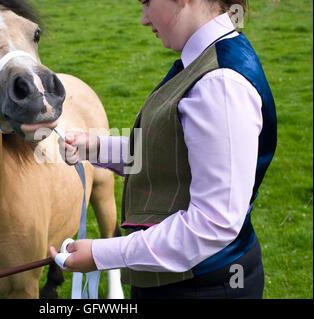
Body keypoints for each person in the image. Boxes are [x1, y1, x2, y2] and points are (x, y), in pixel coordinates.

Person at [50, 0, 277, 299]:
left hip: (201, 287)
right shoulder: (205, 59)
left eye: (146, 3)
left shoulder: (219, 84)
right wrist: (95, 148)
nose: (144, 19)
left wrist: (103, 254)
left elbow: (213, 224)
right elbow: (172, 151)